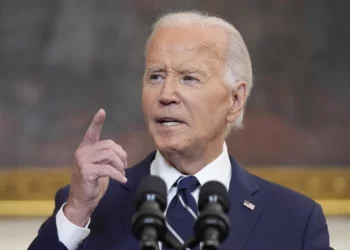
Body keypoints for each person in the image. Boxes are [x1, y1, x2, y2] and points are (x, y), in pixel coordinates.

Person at [28, 11, 333, 250]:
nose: (166, 94)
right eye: (156, 76)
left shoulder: (294, 219)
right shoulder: (91, 205)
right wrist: (77, 211)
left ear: (235, 99)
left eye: (188, 78)